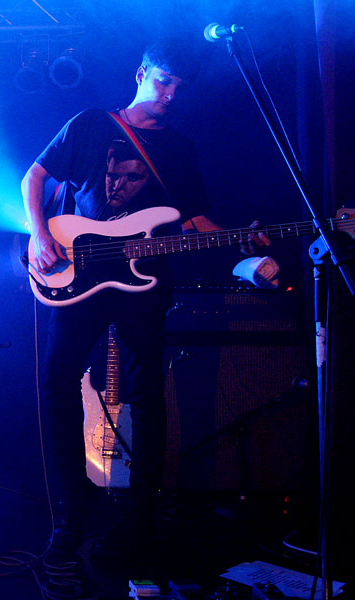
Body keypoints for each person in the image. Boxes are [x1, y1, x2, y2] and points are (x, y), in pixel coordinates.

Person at [21, 43, 269, 587]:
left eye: (180, 86)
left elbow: (195, 219)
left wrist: (242, 242)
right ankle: (70, 516)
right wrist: (41, 234)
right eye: (163, 82)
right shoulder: (89, 125)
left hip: (144, 283)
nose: (170, 94)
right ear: (141, 74)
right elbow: (33, 178)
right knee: (56, 382)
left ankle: (138, 520)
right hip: (78, 271)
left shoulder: (179, 148)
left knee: (147, 396)